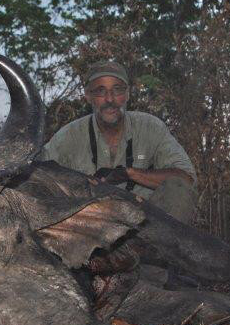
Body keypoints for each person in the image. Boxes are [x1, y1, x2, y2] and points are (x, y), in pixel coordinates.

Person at [41, 60, 198, 224]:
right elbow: (37, 174)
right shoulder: (68, 136)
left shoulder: (150, 127)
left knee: (178, 190)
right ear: (88, 96)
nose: (110, 99)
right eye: (100, 91)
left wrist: (130, 173)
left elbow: (186, 179)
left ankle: (166, 249)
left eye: (117, 90)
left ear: (128, 94)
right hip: (90, 227)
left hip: (148, 227)